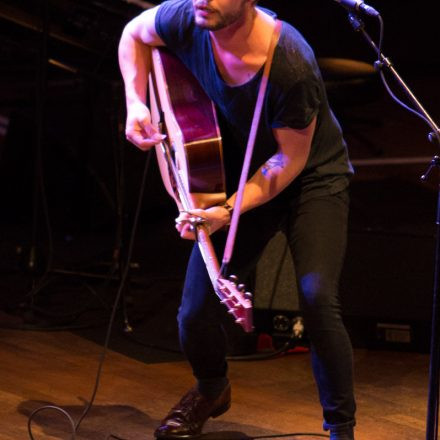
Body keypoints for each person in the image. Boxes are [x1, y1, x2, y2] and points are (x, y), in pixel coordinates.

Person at [118, 0, 356, 439]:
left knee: (317, 297)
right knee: (194, 313)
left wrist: (225, 211)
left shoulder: (290, 64)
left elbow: (289, 159)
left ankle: (341, 427)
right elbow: (134, 32)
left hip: (311, 177)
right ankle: (211, 388)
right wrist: (135, 102)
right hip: (241, 174)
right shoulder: (189, 17)